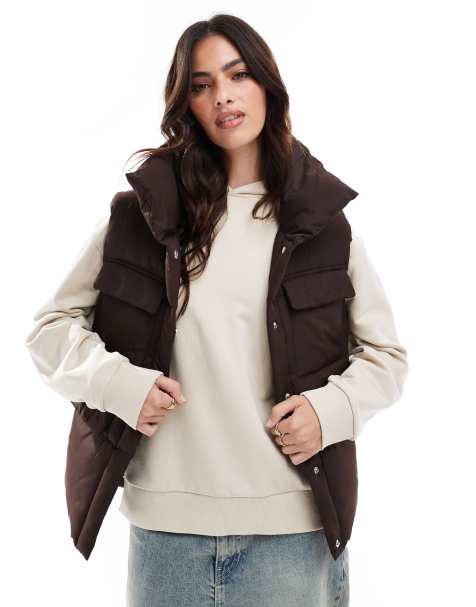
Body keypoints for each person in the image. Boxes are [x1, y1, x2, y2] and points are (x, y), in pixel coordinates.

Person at [24, 13, 409, 607]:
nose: (223, 96)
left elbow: (386, 357)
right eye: (202, 85)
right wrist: (119, 385)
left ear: (267, 87)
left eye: (238, 75)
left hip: (292, 533)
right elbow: (50, 330)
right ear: (188, 104)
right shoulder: (141, 217)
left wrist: (329, 410)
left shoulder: (322, 225)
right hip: (166, 535)